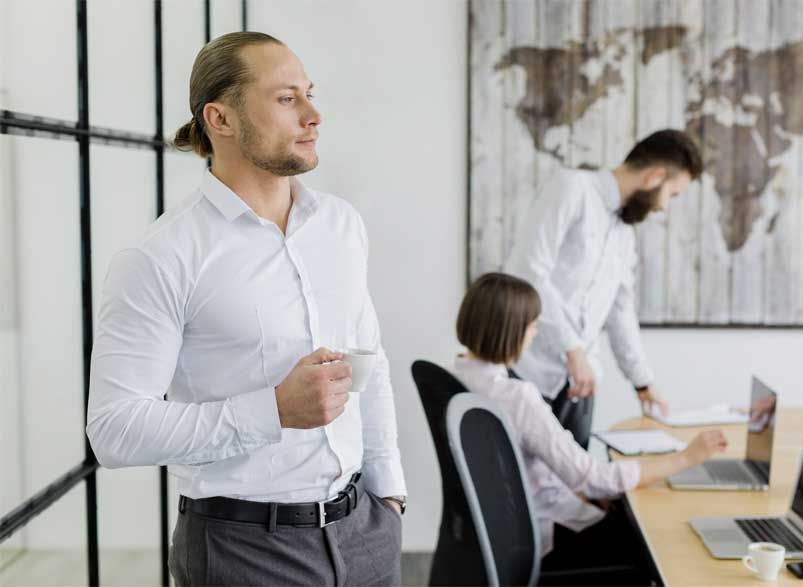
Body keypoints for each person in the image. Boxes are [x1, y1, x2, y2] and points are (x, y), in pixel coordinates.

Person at [86, 32, 406, 587]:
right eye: (287, 98)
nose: (313, 115)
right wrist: (273, 410)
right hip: (243, 554)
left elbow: (367, 362)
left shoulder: (341, 225)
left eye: (309, 94)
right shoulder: (159, 258)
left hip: (365, 533)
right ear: (221, 119)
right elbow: (114, 429)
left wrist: (390, 491)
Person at [450, 272, 727, 577]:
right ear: (511, 331)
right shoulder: (516, 397)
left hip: (494, 534)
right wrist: (687, 457)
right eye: (533, 326)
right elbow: (594, 478)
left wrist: (585, 492)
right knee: (657, 538)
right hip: (543, 537)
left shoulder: (454, 377)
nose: (536, 333)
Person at [504, 129, 704, 448]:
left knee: (575, 491)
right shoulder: (571, 189)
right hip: (528, 373)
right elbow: (528, 274)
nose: (666, 207)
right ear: (656, 176)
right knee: (518, 490)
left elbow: (620, 311)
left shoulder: (624, 233)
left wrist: (643, 382)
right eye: (673, 194)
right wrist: (573, 349)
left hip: (579, 386)